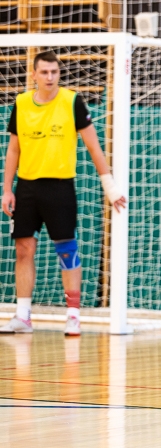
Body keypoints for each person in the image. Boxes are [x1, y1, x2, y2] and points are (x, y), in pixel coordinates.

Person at [0, 51, 126, 337]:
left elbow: (94, 146)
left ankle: (73, 316)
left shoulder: (72, 101)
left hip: (60, 187)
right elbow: (13, 149)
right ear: (33, 74)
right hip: (27, 187)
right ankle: (23, 317)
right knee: (23, 250)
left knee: (66, 250)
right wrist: (7, 189)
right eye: (44, 72)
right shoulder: (21, 103)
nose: (50, 77)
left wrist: (109, 186)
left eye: (54, 72)